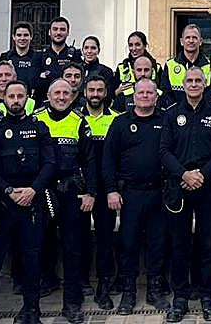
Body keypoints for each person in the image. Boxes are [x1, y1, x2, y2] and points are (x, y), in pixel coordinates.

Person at [0, 79, 57, 324]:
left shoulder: (39, 127)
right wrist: (9, 190)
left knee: (32, 259)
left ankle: (32, 309)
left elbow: (49, 163)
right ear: (3, 98)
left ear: (28, 97)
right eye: (11, 96)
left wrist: (33, 190)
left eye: (20, 96)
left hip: (32, 203)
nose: (16, 101)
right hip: (3, 204)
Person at [161, 67, 211, 322]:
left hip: (208, 186)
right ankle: (180, 296)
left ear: (205, 83)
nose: (193, 84)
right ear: (183, 84)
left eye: (198, 81)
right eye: (189, 81)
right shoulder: (171, 114)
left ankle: (207, 296)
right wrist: (184, 175)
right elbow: (164, 151)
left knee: (209, 243)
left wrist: (202, 173)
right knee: (179, 244)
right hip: (179, 187)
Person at [104, 78, 171, 313]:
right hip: (130, 194)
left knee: (157, 243)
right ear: (133, 96)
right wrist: (111, 189)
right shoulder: (121, 122)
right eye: (140, 92)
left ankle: (154, 290)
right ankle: (128, 292)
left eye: (149, 92)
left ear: (156, 96)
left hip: (158, 193)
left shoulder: (166, 120)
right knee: (128, 244)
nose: (144, 96)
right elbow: (108, 159)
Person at [37, 78, 89, 323]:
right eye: (56, 92)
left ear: (72, 96)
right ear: (48, 95)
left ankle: (72, 300)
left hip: (70, 191)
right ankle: (36, 295)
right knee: (37, 243)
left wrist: (91, 191)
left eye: (65, 93)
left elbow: (90, 161)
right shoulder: (36, 119)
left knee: (72, 246)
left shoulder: (80, 121)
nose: (60, 97)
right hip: (41, 191)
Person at [80, 75, 119, 310]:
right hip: (81, 190)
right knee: (80, 238)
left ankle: (105, 283)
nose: (95, 94)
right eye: (91, 90)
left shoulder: (116, 120)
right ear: (85, 92)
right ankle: (82, 281)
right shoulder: (76, 119)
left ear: (106, 93)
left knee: (105, 238)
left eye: (99, 90)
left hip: (106, 190)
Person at [161, 24, 211, 105]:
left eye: (194, 38)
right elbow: (165, 93)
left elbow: (210, 93)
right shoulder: (170, 65)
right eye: (188, 37)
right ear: (181, 41)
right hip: (176, 114)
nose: (191, 41)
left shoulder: (209, 66)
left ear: (200, 41)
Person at [36, 16, 82, 102]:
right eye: (55, 29)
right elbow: (36, 83)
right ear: (49, 32)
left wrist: (48, 76)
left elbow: (78, 82)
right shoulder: (40, 55)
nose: (58, 32)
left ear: (68, 32)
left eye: (62, 29)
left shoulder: (75, 55)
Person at [0, 22, 41, 94]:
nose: (22, 38)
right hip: (10, 97)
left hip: (32, 100)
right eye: (19, 35)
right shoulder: (5, 57)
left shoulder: (38, 57)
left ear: (31, 37)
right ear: (13, 37)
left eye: (26, 35)